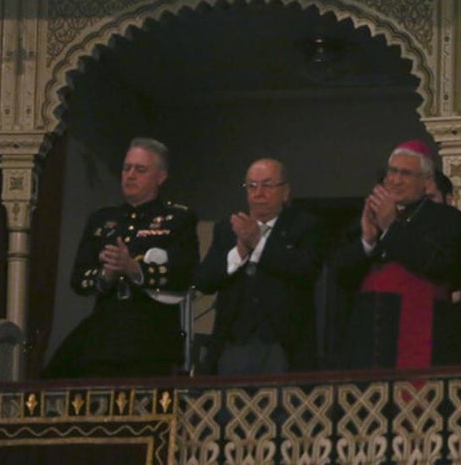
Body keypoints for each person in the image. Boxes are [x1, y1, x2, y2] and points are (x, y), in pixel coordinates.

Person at [45, 137, 198, 378]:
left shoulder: (178, 220)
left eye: (140, 169)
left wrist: (134, 269)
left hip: (151, 336)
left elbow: (185, 273)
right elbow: (78, 279)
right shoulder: (102, 219)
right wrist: (107, 274)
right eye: (126, 168)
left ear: (160, 177)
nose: (130, 175)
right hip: (105, 335)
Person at [334, 140, 461, 369]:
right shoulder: (366, 218)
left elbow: (441, 266)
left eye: (405, 173)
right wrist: (367, 240)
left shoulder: (447, 219)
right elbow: (341, 277)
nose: (395, 180)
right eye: (392, 172)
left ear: (426, 183)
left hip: (420, 339)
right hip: (367, 342)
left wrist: (391, 229)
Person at [193, 158, 325, 374]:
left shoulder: (306, 226)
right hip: (233, 344)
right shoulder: (227, 229)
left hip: (283, 346)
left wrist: (258, 244)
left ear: (285, 192)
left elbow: (306, 270)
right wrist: (239, 252)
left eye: (268, 185)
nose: (258, 192)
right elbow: (204, 280)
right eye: (252, 186)